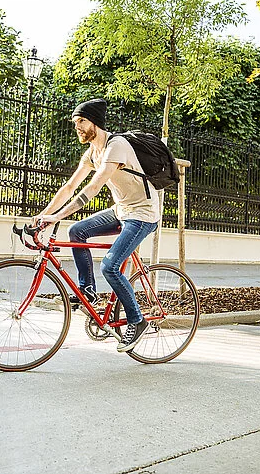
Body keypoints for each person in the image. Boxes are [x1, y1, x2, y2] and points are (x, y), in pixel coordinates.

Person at [32, 98, 160, 353]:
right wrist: (44, 215)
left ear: (96, 123)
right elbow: (69, 187)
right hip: (121, 210)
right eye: (75, 122)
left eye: (82, 121)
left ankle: (137, 320)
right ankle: (88, 291)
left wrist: (57, 217)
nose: (77, 127)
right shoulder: (92, 152)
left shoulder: (117, 146)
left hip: (143, 214)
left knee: (110, 266)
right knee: (77, 231)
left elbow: (93, 187)